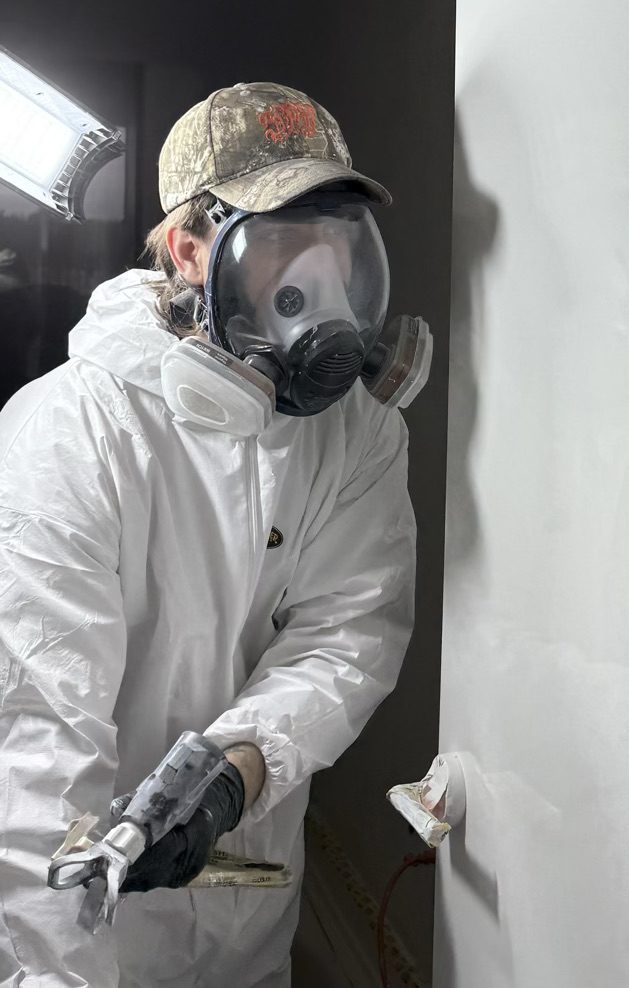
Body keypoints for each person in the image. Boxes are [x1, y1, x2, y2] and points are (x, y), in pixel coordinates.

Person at [0, 82, 420, 986]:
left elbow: (346, 634)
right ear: (194, 251)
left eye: (340, 242)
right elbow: (39, 738)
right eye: (285, 243)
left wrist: (238, 768)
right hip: (89, 940)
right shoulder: (72, 432)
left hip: (250, 913)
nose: (325, 278)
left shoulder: (357, 436)